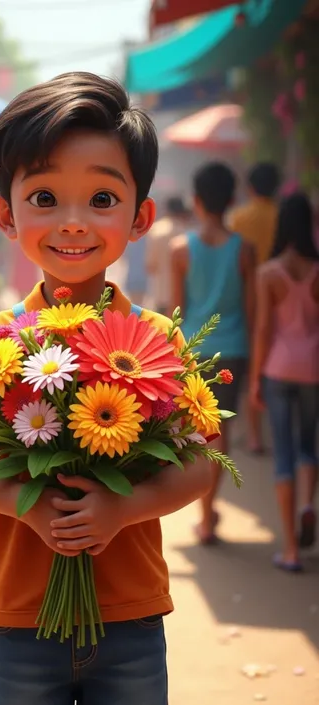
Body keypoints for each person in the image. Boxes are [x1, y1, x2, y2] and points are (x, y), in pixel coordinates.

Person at [0, 72, 213, 705]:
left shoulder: (160, 340)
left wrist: (122, 509)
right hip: (22, 615)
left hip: (131, 613)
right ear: (5, 213)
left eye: (101, 200)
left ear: (140, 216)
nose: (72, 223)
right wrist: (27, 508)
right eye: (43, 199)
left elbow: (199, 465)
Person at [170, 162, 256, 545]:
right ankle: (208, 515)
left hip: (193, 351)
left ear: (198, 200)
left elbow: (176, 313)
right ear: (233, 200)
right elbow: (252, 311)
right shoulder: (245, 250)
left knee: (196, 433)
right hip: (234, 350)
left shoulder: (180, 249)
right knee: (221, 433)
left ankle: (203, 513)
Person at [250, 192, 319, 572]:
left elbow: (263, 329)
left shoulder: (269, 272)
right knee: (309, 444)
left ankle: (290, 548)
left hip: (278, 367)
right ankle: (309, 504)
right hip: (313, 368)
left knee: (284, 455)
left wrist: (257, 379)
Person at [230, 162, 281, 453]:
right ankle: (266, 432)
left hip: (247, 299)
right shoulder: (281, 216)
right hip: (281, 297)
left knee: (249, 369)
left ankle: (252, 435)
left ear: (250, 188)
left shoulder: (239, 218)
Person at [146, 196, 192, 314]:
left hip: (162, 295)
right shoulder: (187, 232)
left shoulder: (156, 230)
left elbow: (151, 265)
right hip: (183, 295)